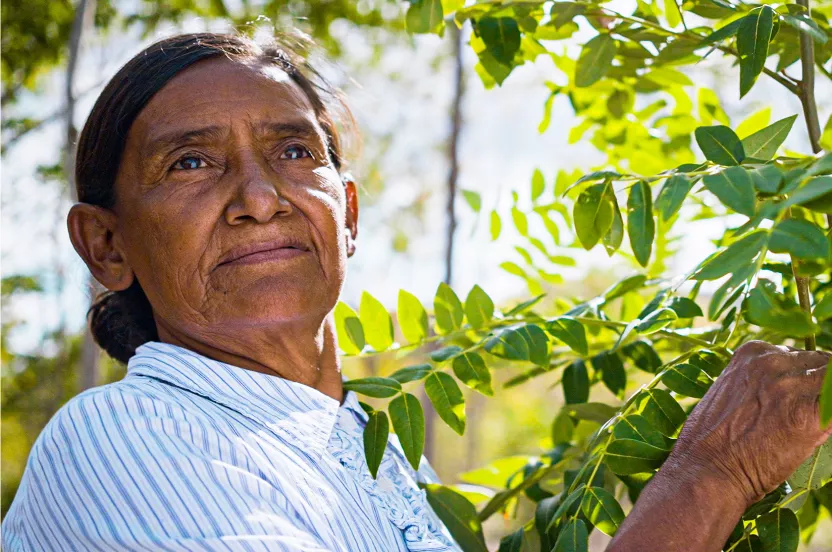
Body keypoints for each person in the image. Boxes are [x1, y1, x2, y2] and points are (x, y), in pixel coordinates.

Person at [1, 32, 829, 552]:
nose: (261, 197)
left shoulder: (373, 449)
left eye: (294, 152)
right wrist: (707, 478)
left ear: (348, 213)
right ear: (105, 246)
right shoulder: (123, 438)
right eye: (192, 162)